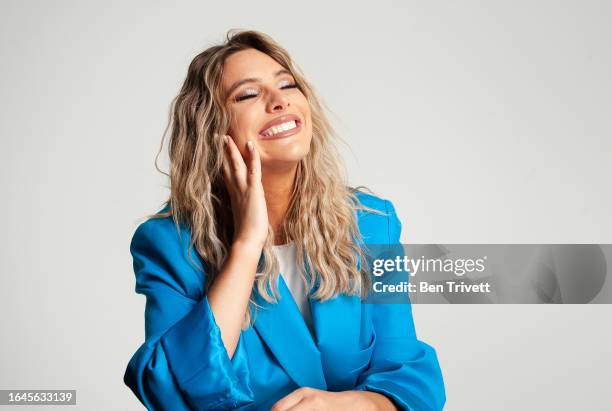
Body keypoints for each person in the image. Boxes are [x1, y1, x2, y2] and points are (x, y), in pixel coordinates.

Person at [124, 29, 446, 411]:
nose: (279, 101)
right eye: (248, 94)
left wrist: (345, 405)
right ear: (212, 130)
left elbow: (408, 377)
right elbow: (173, 392)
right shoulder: (170, 244)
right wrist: (246, 244)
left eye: (287, 85)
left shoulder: (372, 224)